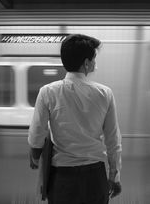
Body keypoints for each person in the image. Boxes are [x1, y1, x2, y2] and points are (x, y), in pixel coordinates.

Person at [28, 34, 122, 204]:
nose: (95, 64)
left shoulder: (47, 92)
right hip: (95, 177)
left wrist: (35, 158)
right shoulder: (105, 94)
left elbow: (36, 136)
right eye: (94, 59)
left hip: (62, 179)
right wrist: (114, 176)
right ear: (86, 63)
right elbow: (113, 140)